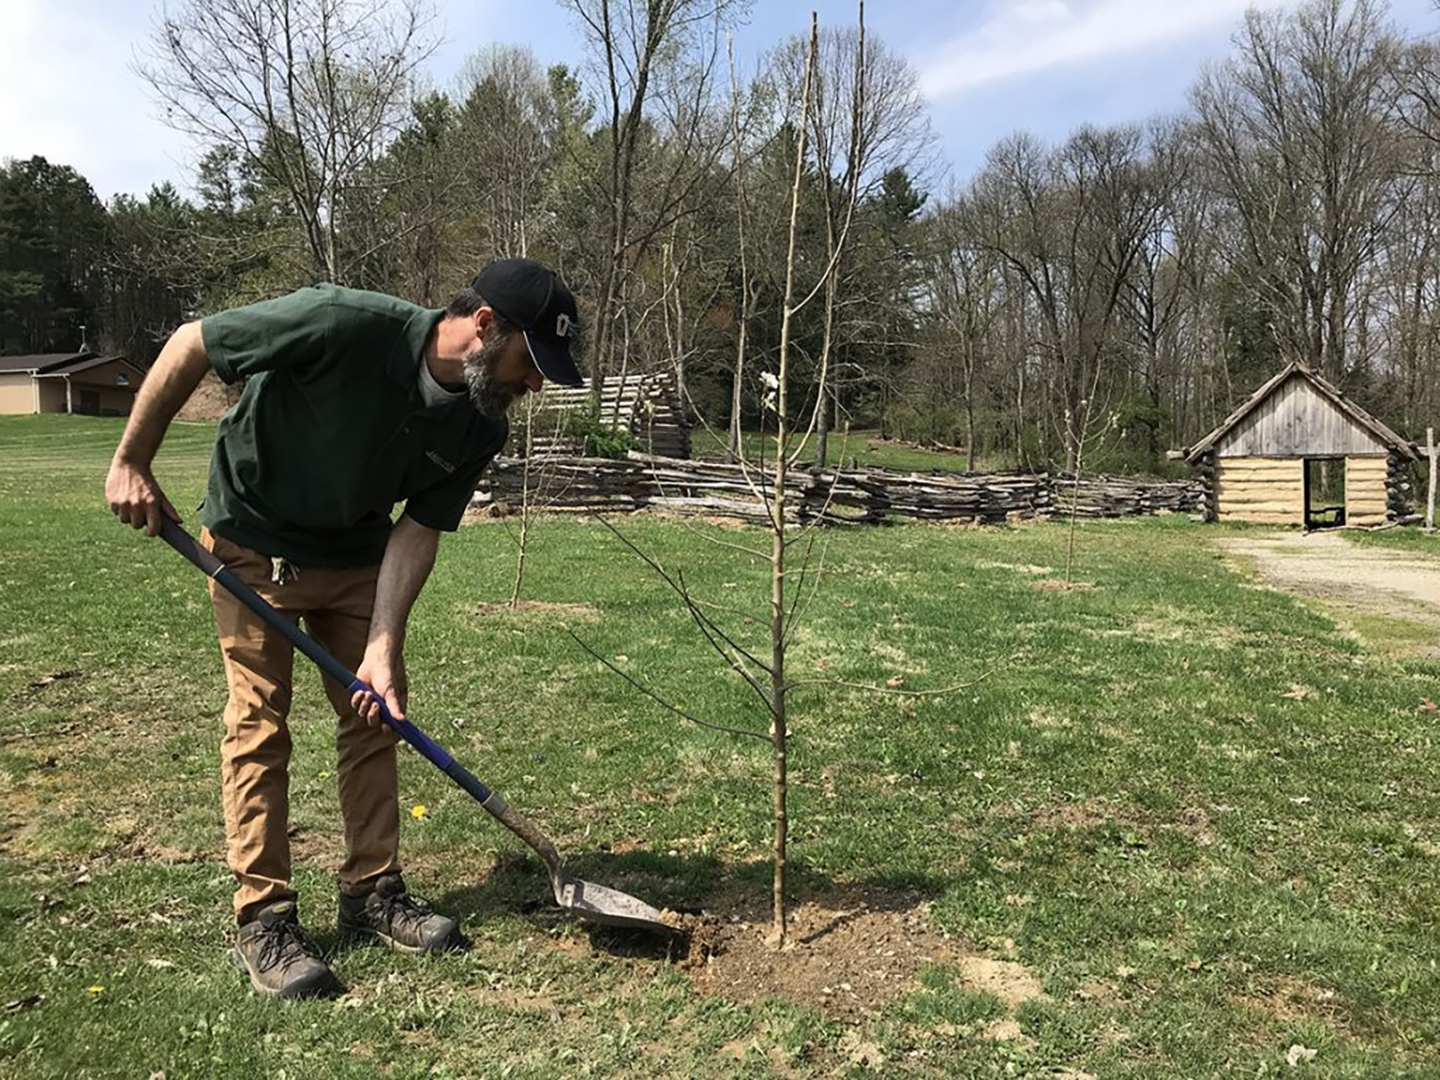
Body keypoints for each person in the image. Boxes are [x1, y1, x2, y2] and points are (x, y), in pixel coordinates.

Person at [104, 259, 583, 998]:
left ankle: (372, 893)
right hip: (252, 537)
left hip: (355, 554)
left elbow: (418, 530)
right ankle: (264, 918)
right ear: (484, 326)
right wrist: (132, 459)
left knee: (375, 715)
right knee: (260, 720)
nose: (535, 383)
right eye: (531, 362)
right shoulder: (341, 322)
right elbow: (193, 341)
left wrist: (383, 648)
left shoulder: (478, 423)